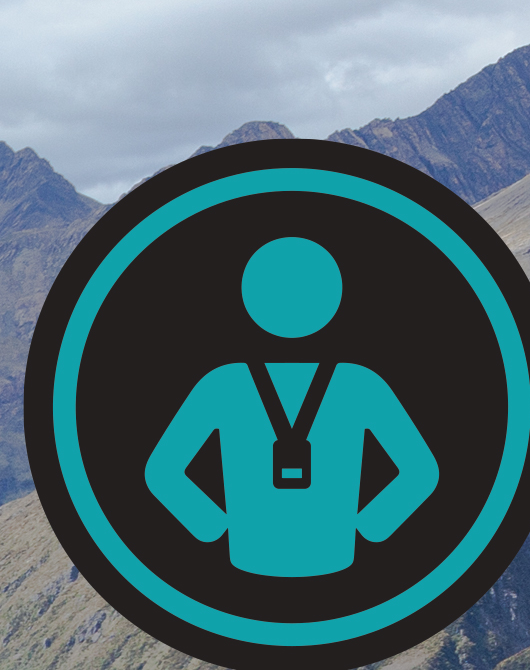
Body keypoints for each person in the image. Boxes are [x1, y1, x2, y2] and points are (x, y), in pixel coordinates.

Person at [144, 237, 435, 578]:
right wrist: (369, 527)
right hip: (333, 550)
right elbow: (420, 471)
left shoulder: (222, 384)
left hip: (251, 551)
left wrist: (214, 528)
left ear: (252, 299)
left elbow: (162, 472)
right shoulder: (360, 383)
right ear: (331, 299)